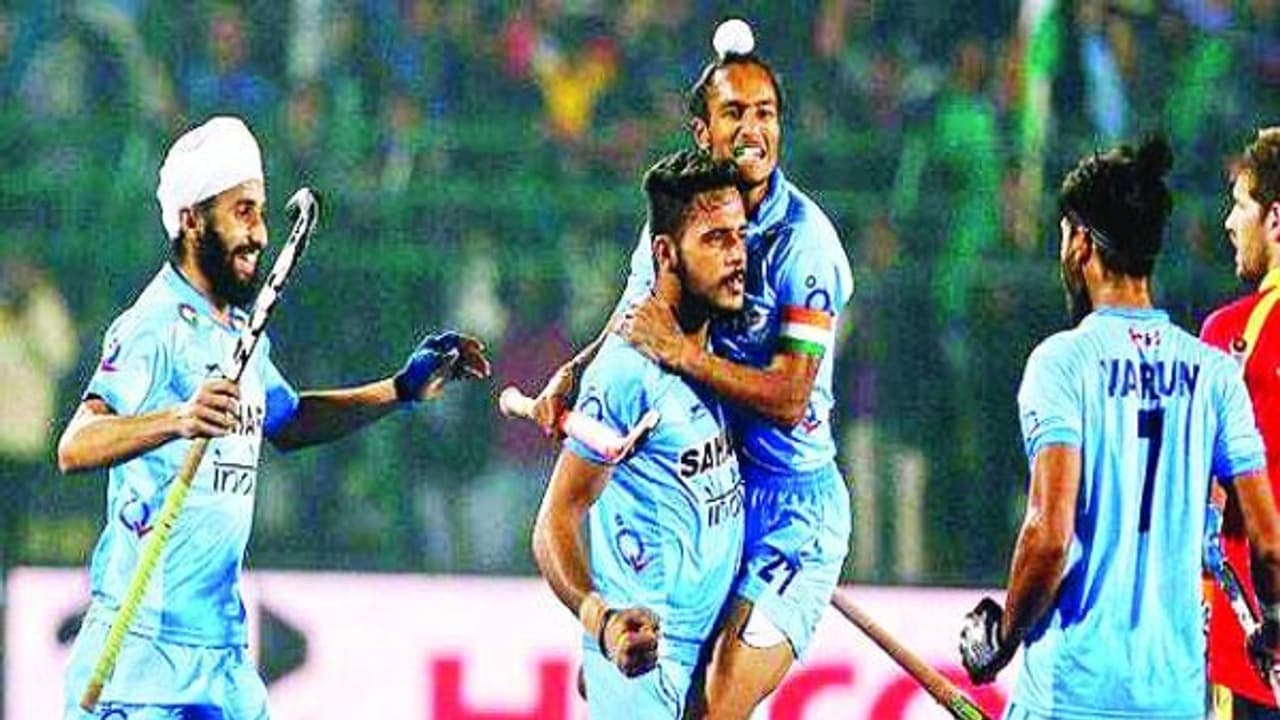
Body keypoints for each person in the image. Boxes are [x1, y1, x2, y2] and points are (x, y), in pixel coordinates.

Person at [56, 116, 490, 719]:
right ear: (191, 220)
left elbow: (289, 422)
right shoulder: (153, 326)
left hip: (222, 657)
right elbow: (75, 445)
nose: (259, 233)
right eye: (242, 212)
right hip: (141, 660)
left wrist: (399, 390)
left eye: (260, 212)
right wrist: (179, 418)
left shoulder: (241, 332)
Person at [532, 22, 853, 717]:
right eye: (734, 113)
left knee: (713, 704)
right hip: (717, 486)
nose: (752, 130)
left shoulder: (807, 246)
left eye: (765, 114)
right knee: (644, 688)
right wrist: (574, 374)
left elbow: (790, 399)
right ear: (702, 132)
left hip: (791, 505)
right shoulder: (678, 218)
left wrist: (685, 357)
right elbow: (635, 317)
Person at [957, 136, 1280, 719]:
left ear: (1081, 241)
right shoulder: (1212, 373)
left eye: (1064, 235)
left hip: (1071, 694)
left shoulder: (1062, 364)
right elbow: (1270, 544)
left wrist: (1001, 637)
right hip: (1175, 699)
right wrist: (1274, 624)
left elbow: (1048, 536)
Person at [531, 149, 747, 719]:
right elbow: (553, 522)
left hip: (708, 657)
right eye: (716, 240)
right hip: (646, 661)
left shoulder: (722, 347)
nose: (736, 255)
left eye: (739, 237)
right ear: (665, 254)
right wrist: (601, 623)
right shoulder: (627, 376)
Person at [1201, 126, 1280, 719]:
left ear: (1276, 219)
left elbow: (1202, 496)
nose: (1230, 222)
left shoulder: (1233, 336)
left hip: (1250, 644)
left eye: (1242, 204)